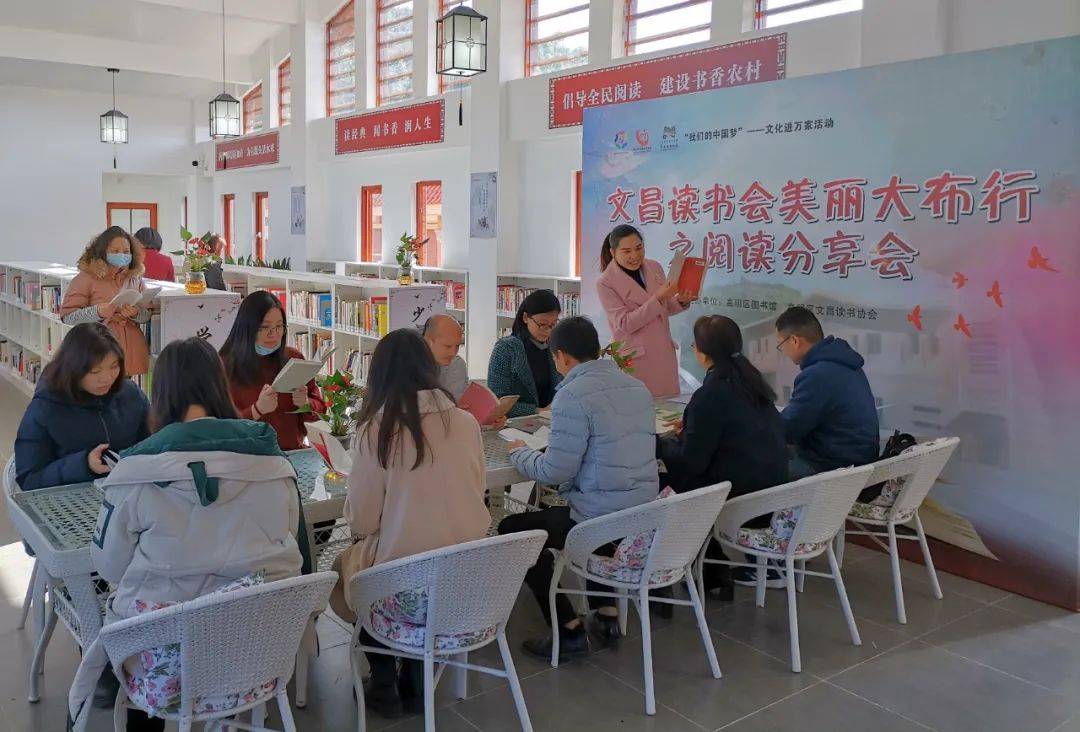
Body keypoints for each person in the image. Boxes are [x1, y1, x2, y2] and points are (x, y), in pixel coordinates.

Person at [71, 337, 305, 732]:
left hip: (167, 664)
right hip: (254, 649)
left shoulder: (136, 472)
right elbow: (288, 533)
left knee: (137, 635)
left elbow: (108, 566)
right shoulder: (273, 463)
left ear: (160, 394)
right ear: (220, 384)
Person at [330, 329, 488, 719]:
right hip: (469, 582)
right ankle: (417, 673)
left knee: (347, 570)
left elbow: (363, 519)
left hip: (406, 586)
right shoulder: (465, 422)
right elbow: (477, 490)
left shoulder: (377, 429)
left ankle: (383, 676)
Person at [498, 316, 658, 658]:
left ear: (562, 356)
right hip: (642, 517)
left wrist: (520, 453)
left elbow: (555, 472)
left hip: (600, 522)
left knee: (512, 529)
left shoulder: (572, 395)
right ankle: (606, 615)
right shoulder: (637, 386)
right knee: (587, 506)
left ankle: (568, 628)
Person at [657, 315, 789, 592]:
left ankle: (678, 572)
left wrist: (656, 443)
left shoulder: (712, 392)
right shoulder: (751, 383)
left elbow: (691, 461)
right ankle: (715, 571)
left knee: (660, 483)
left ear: (700, 352)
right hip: (771, 485)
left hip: (739, 493)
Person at [15, 323, 149, 491]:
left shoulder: (132, 394)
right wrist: (84, 465)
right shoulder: (45, 408)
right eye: (95, 371)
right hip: (72, 504)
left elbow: (152, 446)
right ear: (74, 369)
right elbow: (29, 479)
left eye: (114, 366)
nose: (107, 378)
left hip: (130, 497)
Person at [775, 306, 880, 479]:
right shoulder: (847, 363)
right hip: (860, 460)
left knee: (755, 468)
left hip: (832, 468)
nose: (783, 352)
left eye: (781, 345)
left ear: (794, 341)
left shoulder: (816, 375)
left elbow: (788, 429)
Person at [596, 224, 694, 398]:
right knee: (639, 410)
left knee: (668, 412)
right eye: (626, 251)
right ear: (613, 252)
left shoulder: (654, 267)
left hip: (664, 354)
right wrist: (658, 297)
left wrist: (680, 301)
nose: (634, 256)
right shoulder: (605, 283)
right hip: (636, 359)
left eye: (639, 248)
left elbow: (663, 309)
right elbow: (625, 323)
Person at [219, 290, 325, 451]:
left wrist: (306, 404)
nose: (273, 335)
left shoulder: (293, 358)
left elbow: (320, 412)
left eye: (279, 327)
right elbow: (220, 428)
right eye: (265, 327)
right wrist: (256, 410)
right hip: (245, 458)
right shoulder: (223, 366)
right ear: (248, 328)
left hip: (292, 454)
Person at [60, 226, 152, 376]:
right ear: (103, 251)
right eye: (115, 251)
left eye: (126, 251)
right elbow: (68, 317)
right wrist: (98, 311)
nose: (121, 255)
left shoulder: (135, 277)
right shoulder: (86, 277)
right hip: (98, 348)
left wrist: (135, 313)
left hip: (132, 350)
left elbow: (146, 315)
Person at [487, 289, 562, 417]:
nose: (548, 331)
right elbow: (497, 402)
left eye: (553, 324)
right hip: (516, 424)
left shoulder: (555, 347)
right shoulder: (506, 349)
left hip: (554, 418)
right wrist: (538, 411)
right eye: (543, 324)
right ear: (526, 318)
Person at [422, 313, 468, 400]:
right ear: (427, 341)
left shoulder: (456, 363)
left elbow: (453, 403)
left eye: (457, 346)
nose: (453, 353)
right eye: (447, 346)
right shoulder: (408, 360)